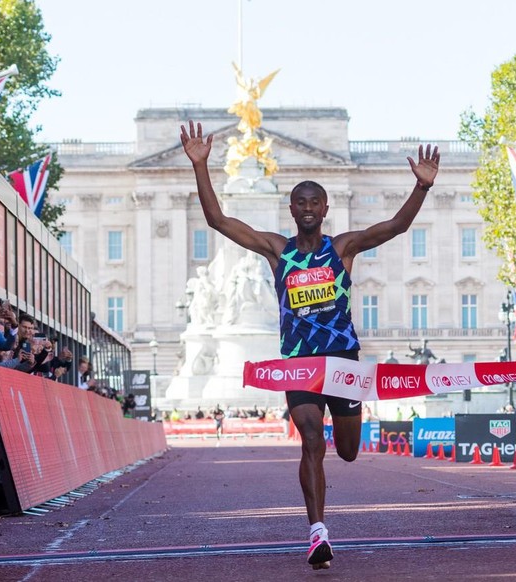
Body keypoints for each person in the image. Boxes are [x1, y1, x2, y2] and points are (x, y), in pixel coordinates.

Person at [180, 120, 439, 569]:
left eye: (313, 202)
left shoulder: (342, 249)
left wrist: (421, 187)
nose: (306, 208)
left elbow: (395, 226)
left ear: (325, 207)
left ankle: (341, 450)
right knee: (311, 439)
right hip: (300, 363)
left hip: (343, 360)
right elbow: (218, 220)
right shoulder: (278, 251)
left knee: (349, 450)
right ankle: (317, 531)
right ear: (291, 206)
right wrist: (201, 166)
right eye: (299, 202)